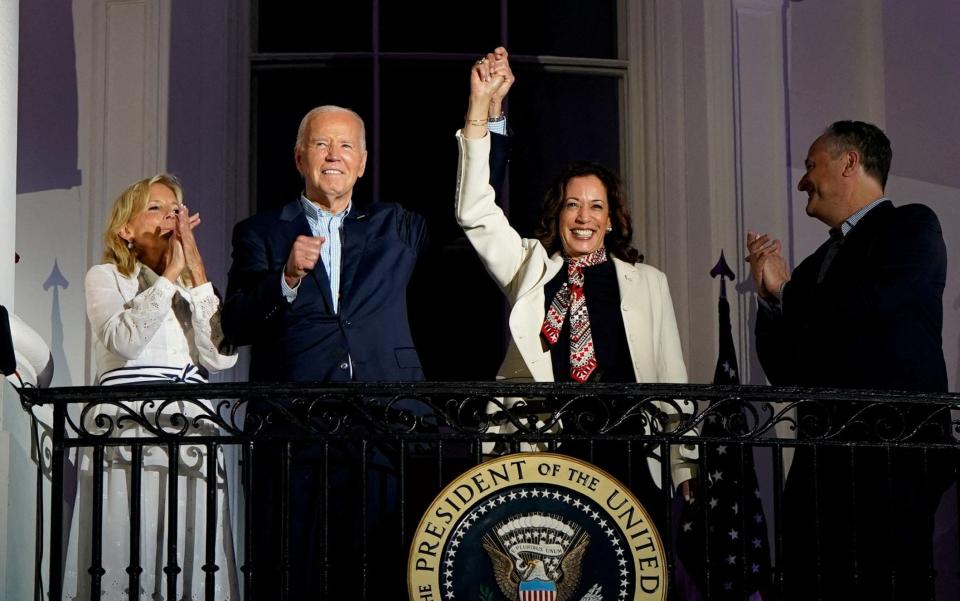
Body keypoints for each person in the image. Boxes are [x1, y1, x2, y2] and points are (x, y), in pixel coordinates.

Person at [221, 50, 513, 597]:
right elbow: (234, 324)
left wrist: (484, 112)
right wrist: (283, 278)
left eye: (346, 145)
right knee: (297, 575)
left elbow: (473, 199)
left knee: (385, 573)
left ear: (362, 161)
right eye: (322, 144)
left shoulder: (393, 225)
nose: (334, 155)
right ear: (300, 157)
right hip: (296, 431)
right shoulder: (261, 231)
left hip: (388, 426)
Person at [455, 50, 697, 522]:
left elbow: (672, 377)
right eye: (572, 205)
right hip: (546, 449)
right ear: (557, 214)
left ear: (611, 219)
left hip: (629, 449)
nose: (583, 217)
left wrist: (684, 462)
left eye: (595, 207)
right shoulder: (530, 267)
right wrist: (478, 112)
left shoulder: (648, 283)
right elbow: (474, 212)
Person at [746, 121, 950, 600]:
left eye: (812, 166)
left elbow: (870, 304)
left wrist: (787, 290)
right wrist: (772, 301)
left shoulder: (912, 226)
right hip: (824, 459)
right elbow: (788, 372)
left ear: (850, 163)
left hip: (893, 454)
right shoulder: (818, 264)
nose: (802, 181)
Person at [78, 174, 239, 599]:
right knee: (130, 543)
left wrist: (196, 267)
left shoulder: (192, 291)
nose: (170, 215)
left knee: (189, 549)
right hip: (129, 427)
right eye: (155, 207)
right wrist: (169, 274)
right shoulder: (106, 277)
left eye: (175, 208)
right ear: (124, 230)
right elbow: (125, 340)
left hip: (189, 432)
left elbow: (221, 357)